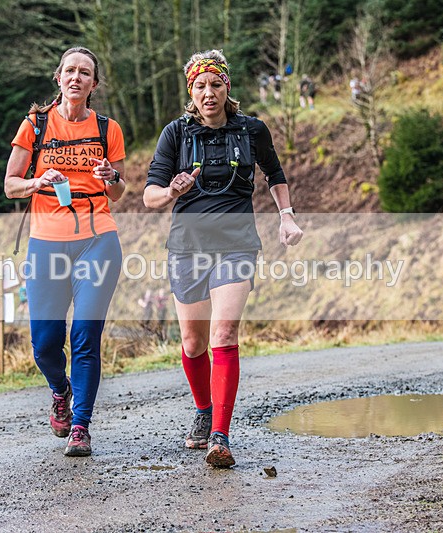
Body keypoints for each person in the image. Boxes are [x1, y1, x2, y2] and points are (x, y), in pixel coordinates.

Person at [143, 50, 303, 468]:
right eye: (200, 86)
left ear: (227, 87)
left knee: (224, 334)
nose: (208, 93)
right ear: (190, 92)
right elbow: (149, 196)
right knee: (193, 343)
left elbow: (275, 174)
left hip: (236, 245)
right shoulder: (175, 134)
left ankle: (220, 435)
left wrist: (286, 218)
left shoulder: (252, 130)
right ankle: (203, 410)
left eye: (215, 84)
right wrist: (173, 191)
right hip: (187, 248)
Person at [4, 46, 127, 457]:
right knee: (44, 343)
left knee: (84, 336)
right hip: (47, 242)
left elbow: (120, 190)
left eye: (85, 73)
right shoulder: (36, 125)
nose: (76, 77)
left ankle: (80, 424)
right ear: (58, 78)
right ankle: (61, 390)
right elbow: (10, 184)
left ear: (94, 84)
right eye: (70, 71)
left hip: (98, 240)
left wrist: (112, 178)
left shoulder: (108, 128)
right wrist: (38, 181)